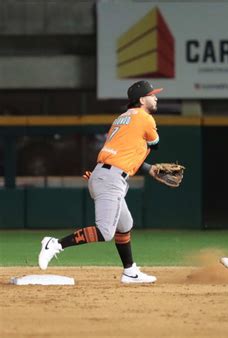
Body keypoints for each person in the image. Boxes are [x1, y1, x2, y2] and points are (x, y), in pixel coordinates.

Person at [38, 80, 166, 284]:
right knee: (105, 231)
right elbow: (155, 144)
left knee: (125, 225)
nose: (156, 97)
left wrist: (148, 168)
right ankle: (55, 244)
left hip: (107, 174)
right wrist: (148, 162)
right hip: (111, 178)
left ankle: (130, 271)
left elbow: (123, 152)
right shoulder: (144, 117)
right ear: (142, 100)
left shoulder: (121, 119)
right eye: (152, 95)